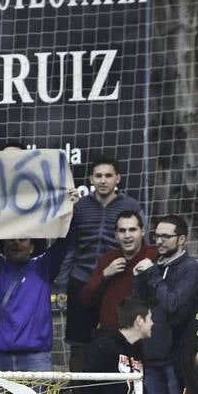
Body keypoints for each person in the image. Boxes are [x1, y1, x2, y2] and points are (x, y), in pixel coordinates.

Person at [132, 214, 198, 394]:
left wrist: (151, 274)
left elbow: (173, 304)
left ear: (182, 239)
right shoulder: (154, 267)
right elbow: (138, 305)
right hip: (151, 357)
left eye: (166, 236)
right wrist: (138, 277)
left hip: (177, 358)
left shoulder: (190, 269)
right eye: (157, 236)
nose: (159, 241)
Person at [62, 156, 144, 371]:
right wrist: (62, 284)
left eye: (108, 175)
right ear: (91, 179)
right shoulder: (79, 207)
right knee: (78, 346)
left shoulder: (130, 205)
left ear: (118, 178)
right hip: (81, 280)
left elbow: (141, 243)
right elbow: (70, 246)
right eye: (98, 175)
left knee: (116, 340)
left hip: (116, 283)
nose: (103, 180)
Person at [0, 227, 74, 372]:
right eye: (11, 239)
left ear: (32, 247)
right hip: (1, 360)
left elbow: (66, 239)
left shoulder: (44, 267)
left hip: (36, 359)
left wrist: (72, 209)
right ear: (4, 246)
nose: (16, 243)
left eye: (22, 239)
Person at [83, 297, 153, 394]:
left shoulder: (138, 350)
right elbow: (88, 385)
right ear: (139, 320)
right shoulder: (103, 345)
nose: (153, 323)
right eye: (150, 318)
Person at [81, 210, 157, 333]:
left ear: (142, 231)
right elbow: (86, 299)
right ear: (116, 235)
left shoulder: (153, 257)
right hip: (110, 336)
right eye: (122, 231)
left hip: (142, 339)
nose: (127, 236)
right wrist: (105, 274)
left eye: (132, 230)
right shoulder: (108, 259)